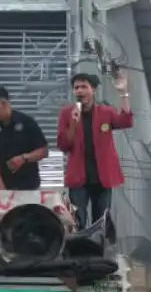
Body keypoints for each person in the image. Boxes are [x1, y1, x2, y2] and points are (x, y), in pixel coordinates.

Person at [56, 71, 133, 228]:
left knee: (101, 220)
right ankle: (79, 250)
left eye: (84, 87)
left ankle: (100, 249)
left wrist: (123, 93)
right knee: (77, 219)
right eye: (76, 88)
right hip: (78, 177)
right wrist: (73, 123)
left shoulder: (106, 112)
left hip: (103, 175)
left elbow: (125, 122)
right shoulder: (66, 114)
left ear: (93, 90)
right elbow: (64, 145)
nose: (79, 91)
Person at [0, 86, 49, 192]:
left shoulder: (26, 121)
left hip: (30, 186)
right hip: (5, 186)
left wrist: (24, 158)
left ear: (4, 103)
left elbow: (43, 151)